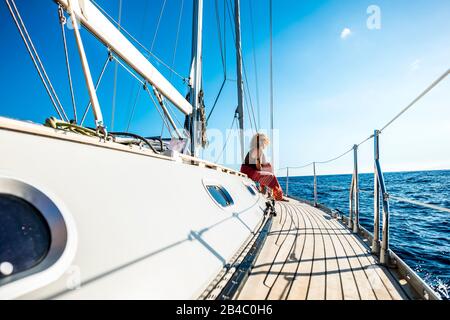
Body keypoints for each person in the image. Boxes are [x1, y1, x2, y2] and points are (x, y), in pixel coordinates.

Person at [240, 133, 287, 201]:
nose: (264, 143)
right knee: (272, 177)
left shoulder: (256, 149)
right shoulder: (257, 149)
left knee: (269, 166)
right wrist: (264, 170)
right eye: (262, 141)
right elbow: (258, 168)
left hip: (248, 170)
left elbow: (260, 166)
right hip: (248, 171)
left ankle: (265, 189)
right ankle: (278, 196)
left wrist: (265, 168)